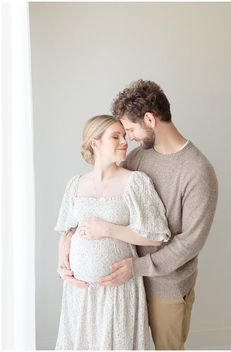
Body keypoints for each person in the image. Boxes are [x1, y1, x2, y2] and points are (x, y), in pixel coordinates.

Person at [61, 80, 218, 350]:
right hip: (123, 290)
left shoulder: (197, 171)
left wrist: (136, 268)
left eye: (131, 129)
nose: (129, 138)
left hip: (164, 289)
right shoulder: (137, 158)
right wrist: (71, 239)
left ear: (149, 119)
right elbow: (105, 203)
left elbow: (190, 242)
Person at [54, 115, 171, 350]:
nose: (124, 141)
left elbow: (157, 235)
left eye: (124, 136)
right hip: (80, 293)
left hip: (118, 291)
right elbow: (65, 229)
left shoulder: (135, 182)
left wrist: (108, 229)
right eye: (115, 137)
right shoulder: (75, 184)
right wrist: (62, 264)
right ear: (94, 143)